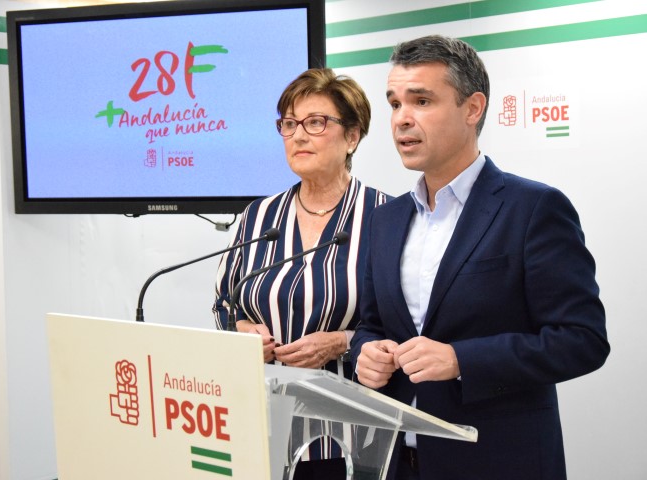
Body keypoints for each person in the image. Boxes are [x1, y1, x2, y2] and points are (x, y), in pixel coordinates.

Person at [352, 35, 610, 480]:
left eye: (421, 101)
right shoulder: (386, 219)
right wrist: (365, 352)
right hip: (398, 463)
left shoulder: (533, 209)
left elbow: (581, 339)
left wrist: (461, 360)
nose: (402, 119)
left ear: (472, 108)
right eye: (394, 103)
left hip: (498, 461)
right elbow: (372, 324)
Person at [213, 68, 391, 478]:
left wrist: (341, 343)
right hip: (258, 424)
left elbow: (403, 322)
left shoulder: (386, 216)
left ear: (352, 136)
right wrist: (242, 331)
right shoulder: (259, 215)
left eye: (316, 123)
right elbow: (224, 302)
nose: (298, 136)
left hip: (345, 436)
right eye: (289, 124)